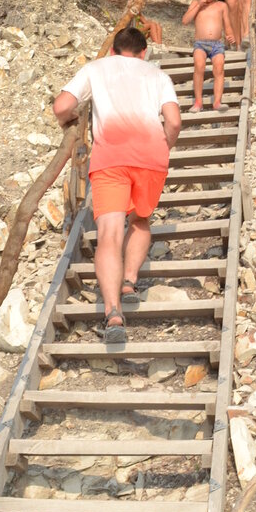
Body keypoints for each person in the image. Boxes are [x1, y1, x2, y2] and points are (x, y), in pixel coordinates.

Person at [53, 25, 181, 344]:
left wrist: (68, 121)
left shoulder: (97, 68)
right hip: (150, 155)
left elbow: (61, 106)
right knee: (140, 220)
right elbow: (174, 121)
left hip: (110, 156)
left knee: (110, 233)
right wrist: (164, 146)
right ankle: (129, 282)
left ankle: (113, 313)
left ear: (113, 50)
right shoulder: (158, 75)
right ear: (144, 52)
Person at [182, 0, 234, 113]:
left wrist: (230, 36)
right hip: (200, 44)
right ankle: (198, 102)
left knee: (219, 67)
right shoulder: (195, 4)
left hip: (217, 44)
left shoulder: (221, 6)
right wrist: (198, 4)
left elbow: (227, 25)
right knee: (199, 66)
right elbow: (185, 21)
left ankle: (217, 102)